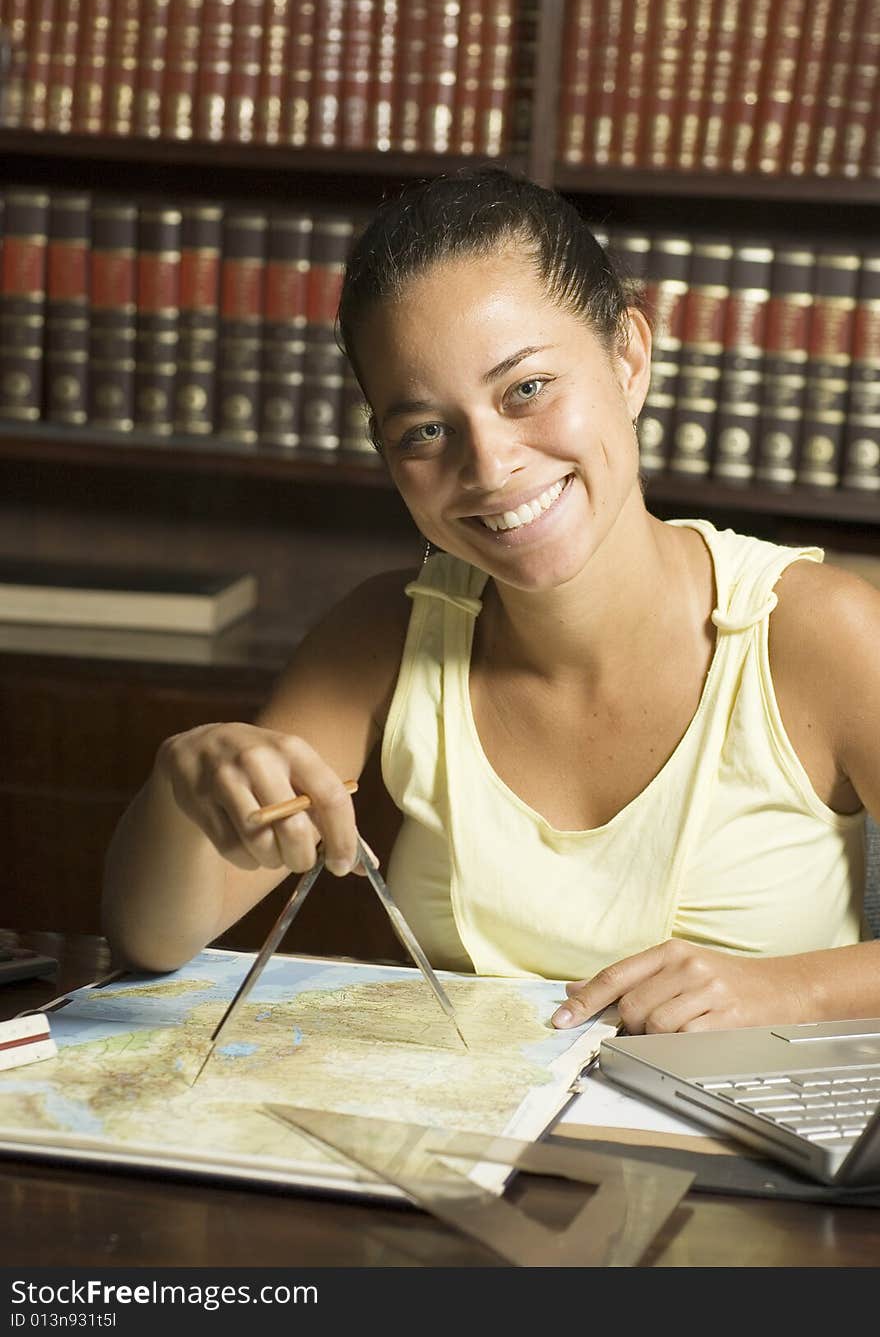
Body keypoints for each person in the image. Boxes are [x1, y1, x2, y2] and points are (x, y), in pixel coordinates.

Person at [102, 165, 880, 1036]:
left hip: (739, 1168)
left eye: (526, 389)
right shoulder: (381, 633)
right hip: (474, 1159)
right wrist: (184, 784)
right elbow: (153, 936)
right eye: (427, 430)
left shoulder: (821, 631)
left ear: (628, 360)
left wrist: (793, 989)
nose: (490, 465)